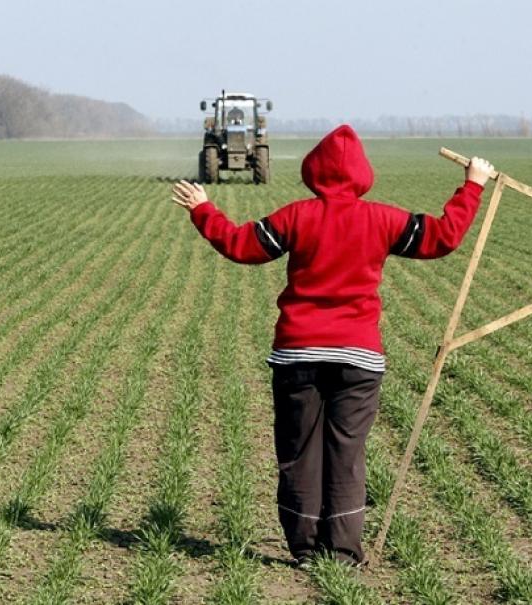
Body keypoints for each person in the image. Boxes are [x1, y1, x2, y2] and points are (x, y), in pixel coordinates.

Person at [171, 124, 495, 568]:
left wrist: (205, 210)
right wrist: (472, 185)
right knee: (346, 452)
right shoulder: (383, 219)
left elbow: (242, 246)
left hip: (297, 355)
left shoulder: (297, 216)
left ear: (313, 171)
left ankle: (305, 549)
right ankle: (342, 553)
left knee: (300, 453)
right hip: (359, 360)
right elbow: (443, 237)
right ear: (364, 175)